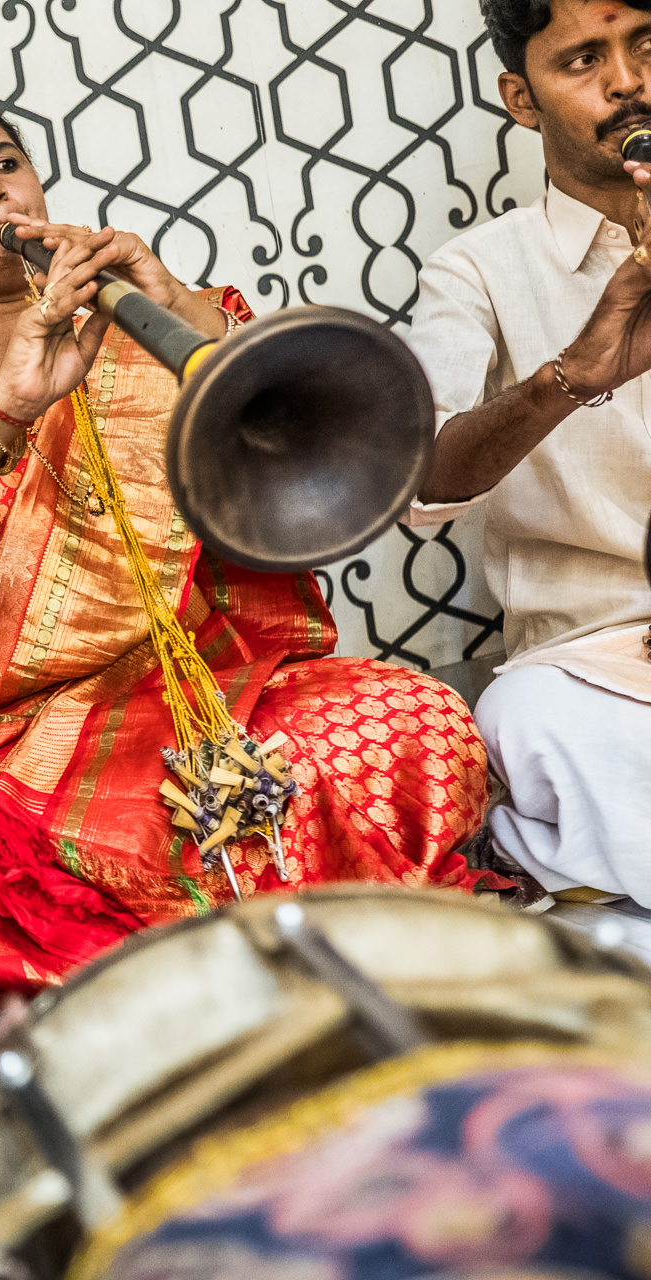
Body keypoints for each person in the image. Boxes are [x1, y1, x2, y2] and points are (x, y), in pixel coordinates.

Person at [0, 100, 497, 1015]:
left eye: (6, 162)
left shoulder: (153, 331)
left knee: (419, 715)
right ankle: (187, 1016)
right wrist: (5, 408)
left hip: (215, 690)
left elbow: (317, 437)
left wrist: (172, 310)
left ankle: (311, 979)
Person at [406, 0, 651, 907]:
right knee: (530, 725)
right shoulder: (475, 271)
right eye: (584, 60)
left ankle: (569, 860)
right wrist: (575, 374)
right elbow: (420, 488)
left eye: (645, 46)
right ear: (521, 97)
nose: (626, 80)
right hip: (594, 662)